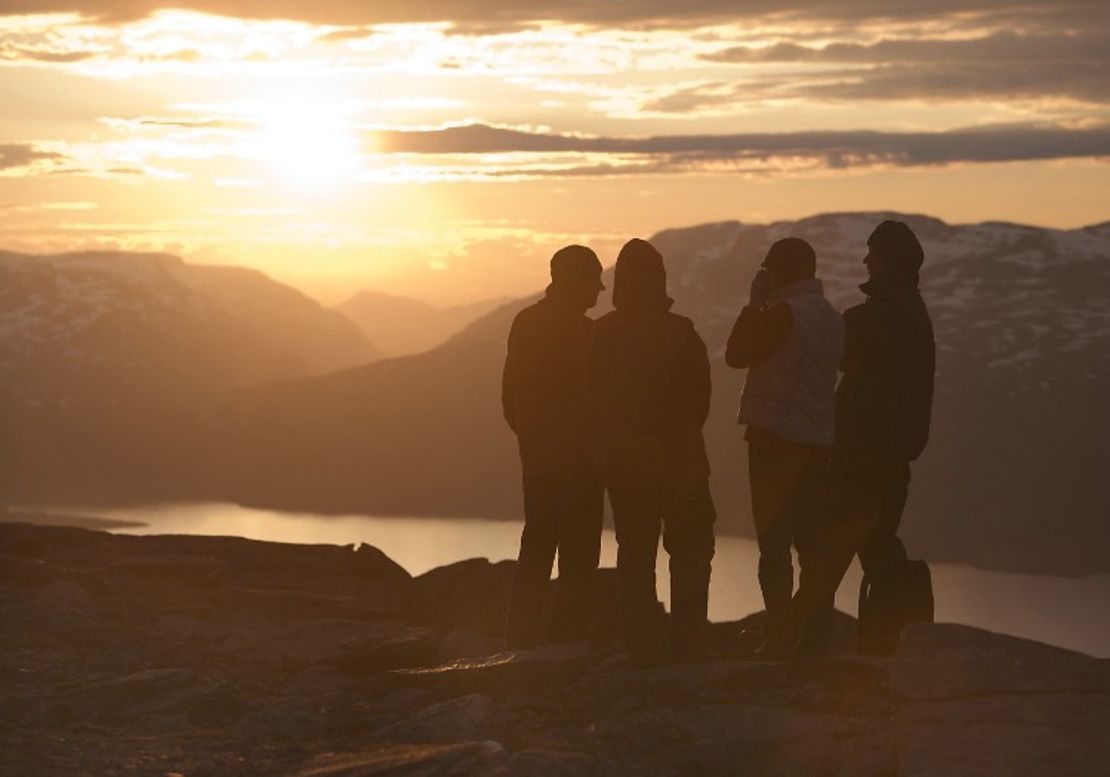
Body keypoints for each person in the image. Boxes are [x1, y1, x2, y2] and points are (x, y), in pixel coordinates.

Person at [787, 219, 936, 654]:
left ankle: (807, 643)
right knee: (878, 551)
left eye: (873, 254)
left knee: (824, 549)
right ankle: (889, 641)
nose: (865, 260)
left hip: (859, 459)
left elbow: (820, 352)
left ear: (888, 263)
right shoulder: (913, 313)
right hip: (892, 461)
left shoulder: (877, 317)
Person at [589, 238, 716, 659]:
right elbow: (702, 399)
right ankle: (688, 640)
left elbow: (587, 398)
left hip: (626, 467)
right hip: (683, 464)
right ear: (660, 281)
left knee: (637, 555)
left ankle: (640, 644)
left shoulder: (602, 334)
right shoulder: (682, 332)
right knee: (691, 553)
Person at [725, 238, 844, 655]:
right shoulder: (831, 316)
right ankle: (815, 633)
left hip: (774, 440)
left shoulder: (780, 314)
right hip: (817, 441)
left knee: (774, 544)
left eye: (769, 271)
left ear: (781, 273)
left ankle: (778, 633)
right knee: (812, 541)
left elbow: (736, 354)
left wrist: (754, 305)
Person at [502, 244, 606, 649]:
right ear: (572, 279)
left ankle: (520, 641)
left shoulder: (525, 322)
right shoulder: (584, 332)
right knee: (579, 559)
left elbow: (509, 397)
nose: (600, 289)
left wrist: (532, 439)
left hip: (540, 462)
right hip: (581, 465)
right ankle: (568, 646)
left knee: (536, 550)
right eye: (594, 279)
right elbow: (595, 397)